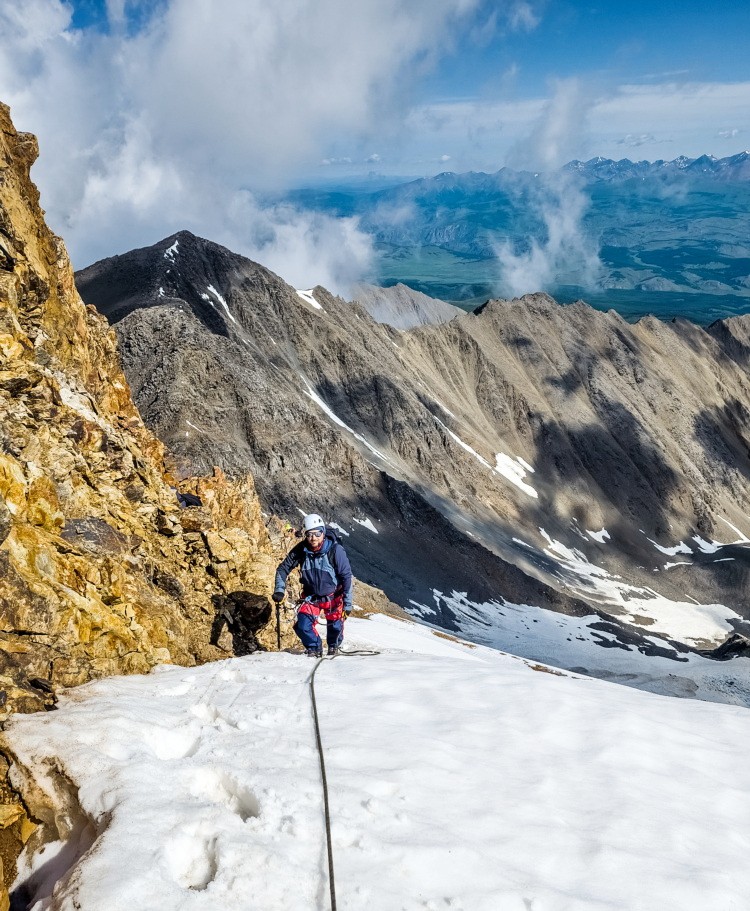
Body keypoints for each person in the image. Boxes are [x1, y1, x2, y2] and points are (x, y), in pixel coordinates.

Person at [272, 513, 353, 657]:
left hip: (333, 597)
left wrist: (347, 604)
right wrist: (279, 589)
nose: (313, 538)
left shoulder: (335, 551)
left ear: (323, 532)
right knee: (302, 626)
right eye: (309, 534)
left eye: (317, 533)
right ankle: (314, 647)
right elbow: (283, 568)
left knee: (335, 627)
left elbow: (346, 577)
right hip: (311, 597)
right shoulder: (301, 550)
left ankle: (333, 646)